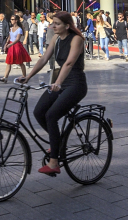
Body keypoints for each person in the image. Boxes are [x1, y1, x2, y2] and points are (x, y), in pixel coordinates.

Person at [18, 11, 88, 176]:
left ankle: (54, 162)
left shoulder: (77, 39)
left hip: (75, 84)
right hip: (60, 83)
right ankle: (57, 142)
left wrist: (58, 82)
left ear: (67, 25)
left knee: (51, 115)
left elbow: (69, 63)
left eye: (56, 23)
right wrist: (28, 76)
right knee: (39, 112)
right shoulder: (56, 38)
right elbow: (43, 60)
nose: (52, 26)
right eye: (52, 23)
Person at [0, 15, 31, 82]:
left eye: (12, 19)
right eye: (11, 19)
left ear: (16, 20)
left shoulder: (19, 29)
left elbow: (17, 39)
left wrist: (11, 44)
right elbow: (9, 37)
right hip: (11, 46)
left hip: (16, 46)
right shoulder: (11, 28)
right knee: (9, 62)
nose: (11, 20)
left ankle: (24, 76)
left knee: (20, 62)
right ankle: (5, 77)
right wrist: (6, 44)